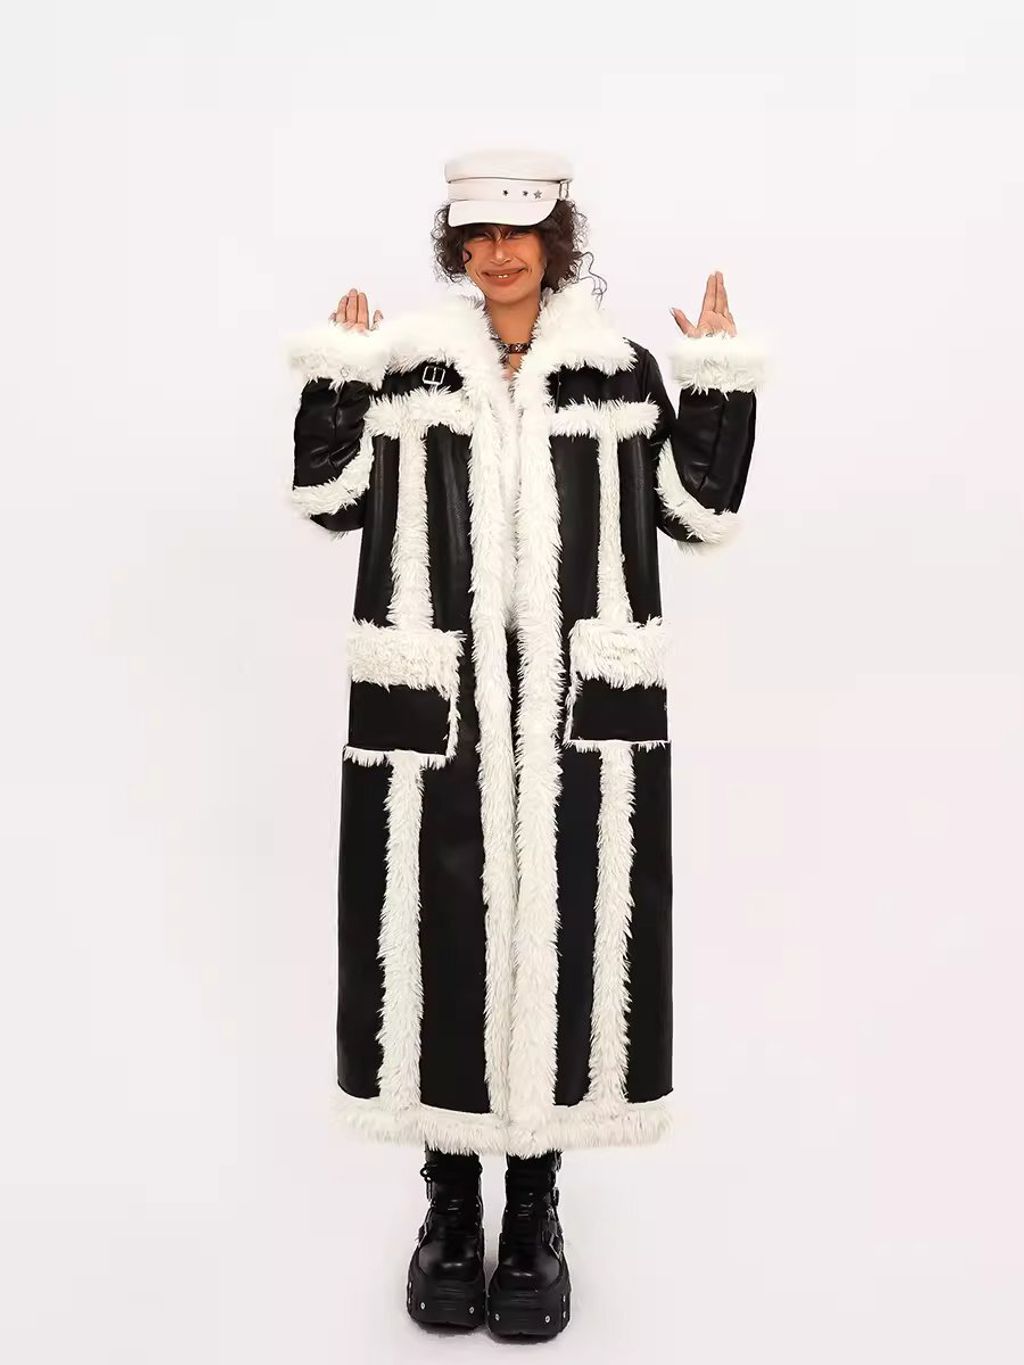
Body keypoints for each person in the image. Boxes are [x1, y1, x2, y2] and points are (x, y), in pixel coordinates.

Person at [284, 147, 768, 1338]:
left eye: (519, 233)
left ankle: (536, 1208)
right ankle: (450, 1204)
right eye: (478, 237)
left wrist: (713, 385)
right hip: (437, 708)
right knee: (440, 940)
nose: (498, 255)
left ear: (556, 240)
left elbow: (696, 513)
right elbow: (330, 499)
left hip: (573, 713)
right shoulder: (410, 366)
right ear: (457, 247)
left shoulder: (616, 370)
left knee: (567, 942)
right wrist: (337, 377)